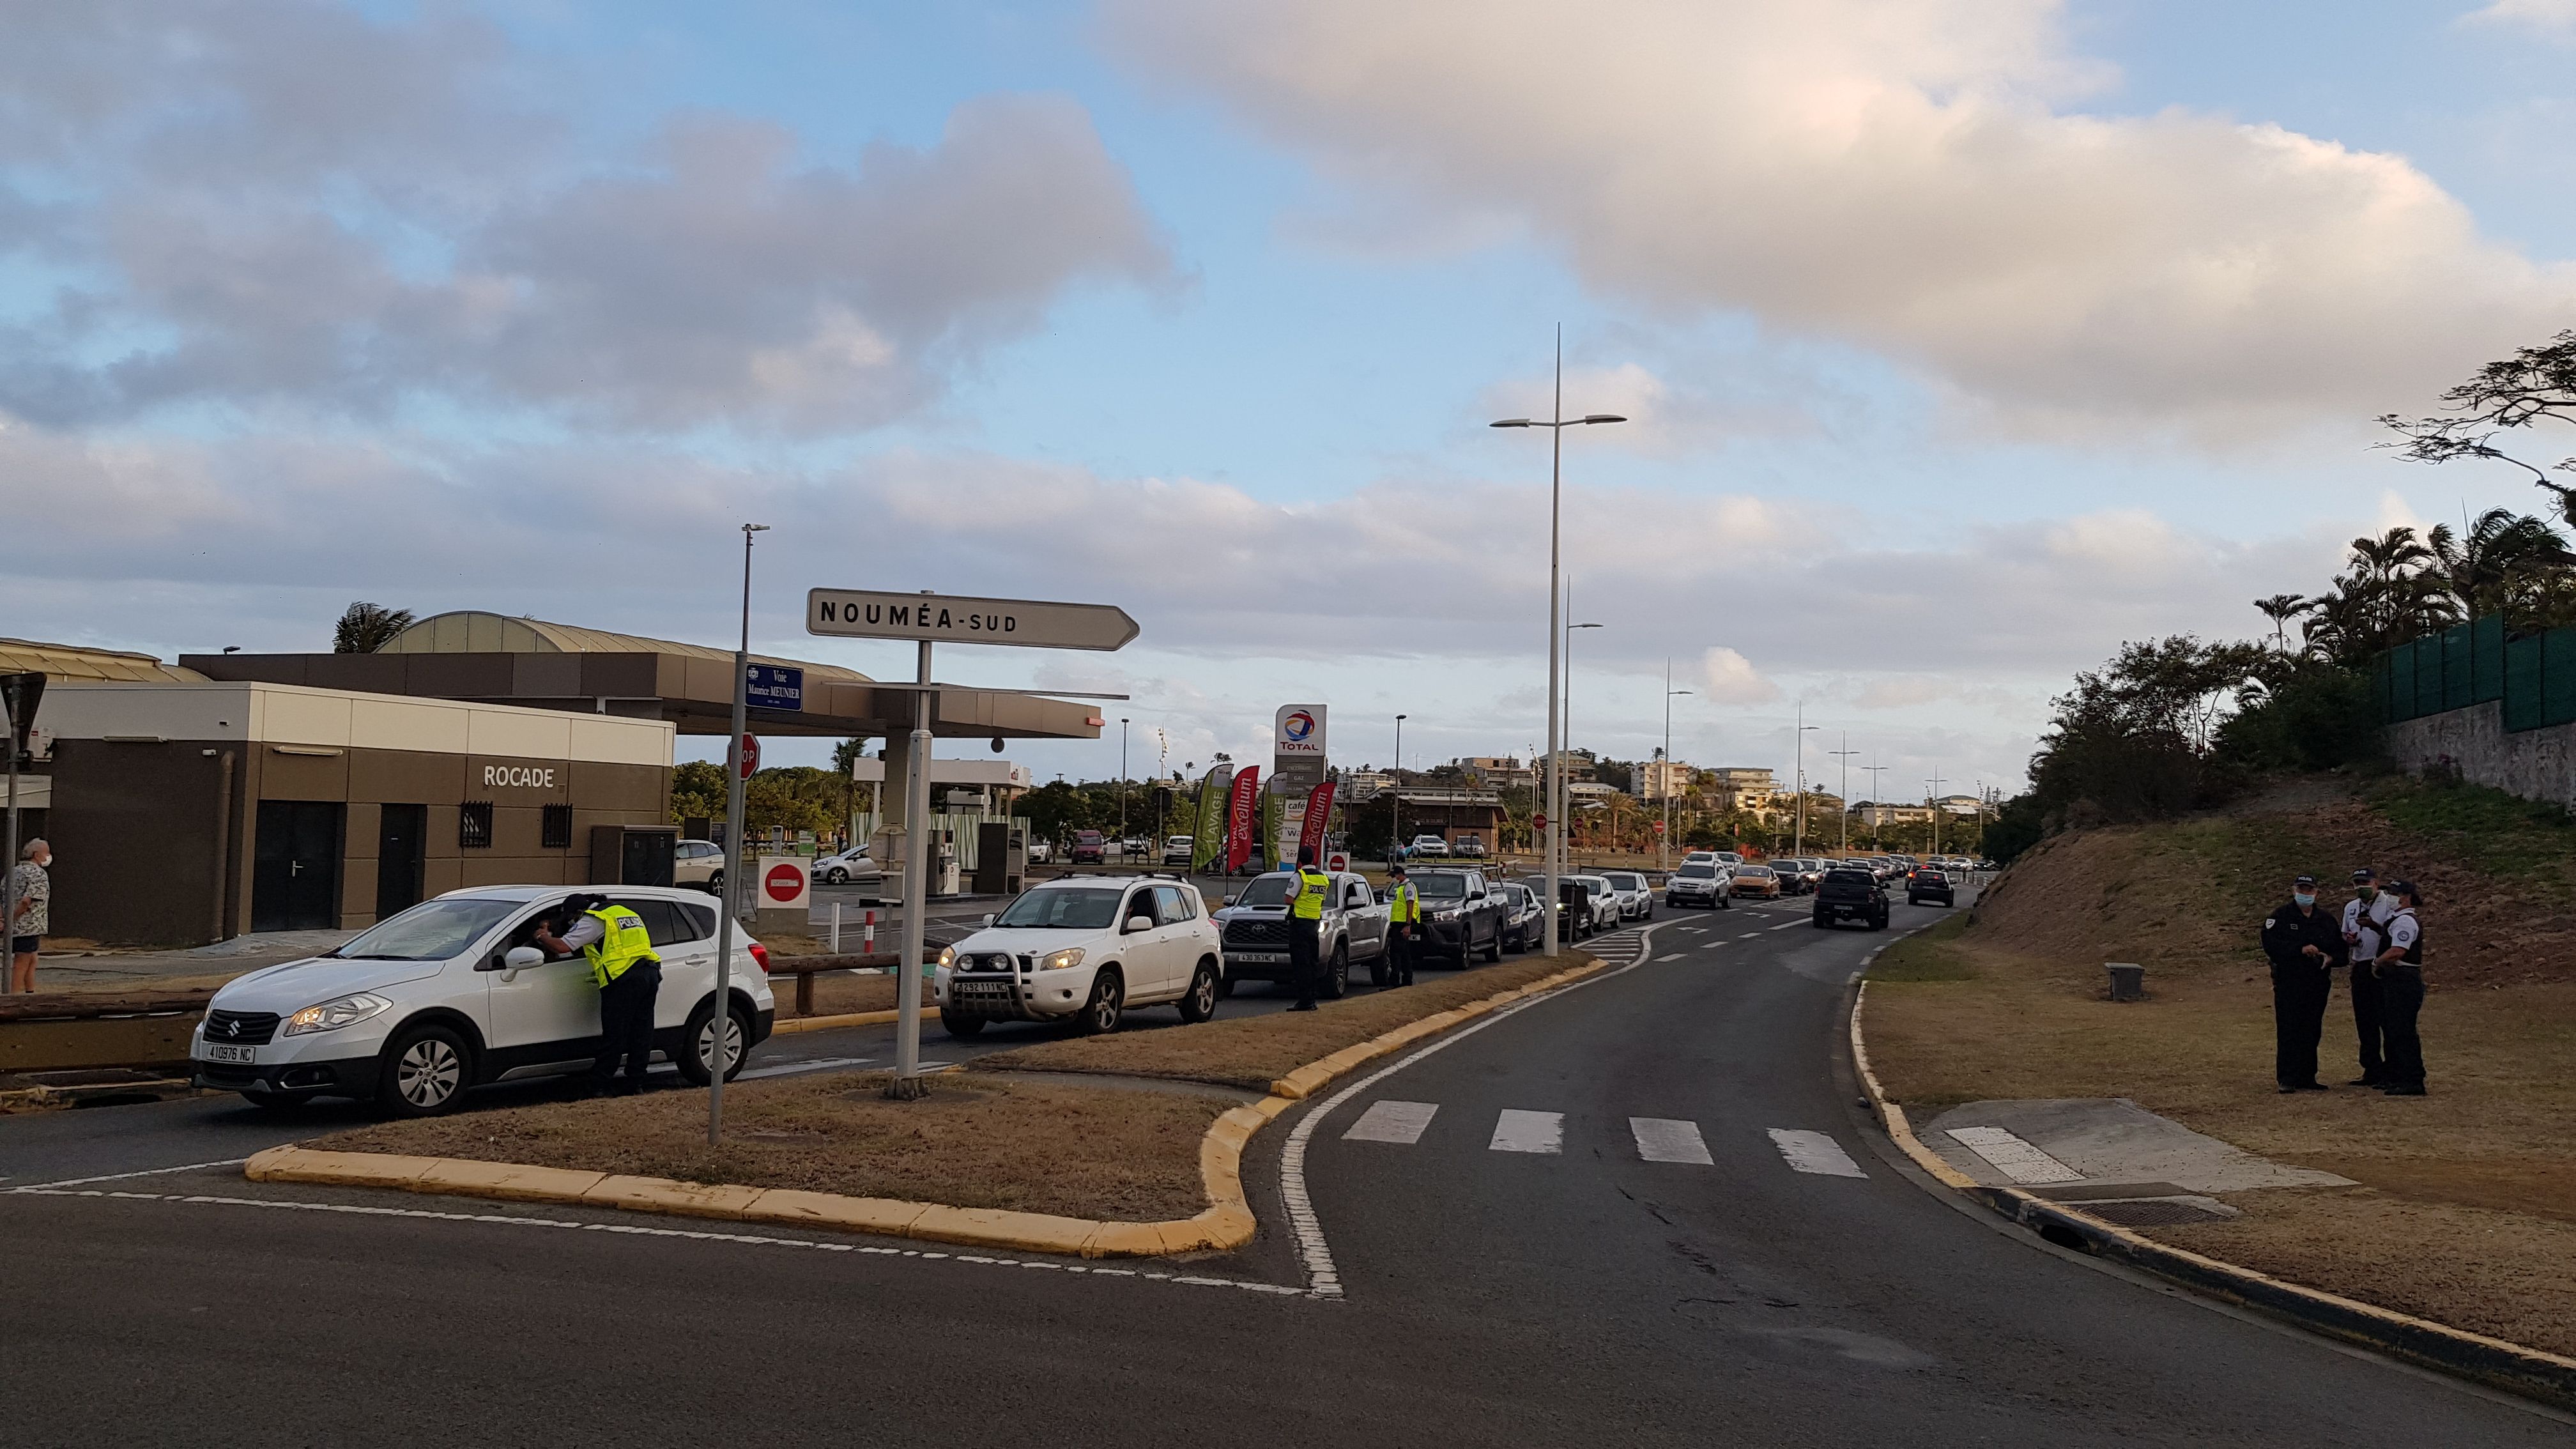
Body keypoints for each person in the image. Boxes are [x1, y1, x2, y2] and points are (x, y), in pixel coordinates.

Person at [533, 893, 663, 1094]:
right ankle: (635, 1084)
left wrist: (542, 936)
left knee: (615, 1035)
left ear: (579, 912)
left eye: (572, 919)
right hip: (650, 972)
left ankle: (598, 1085)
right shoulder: (624, 912)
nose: (573, 923)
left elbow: (563, 946)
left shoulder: (594, 919)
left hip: (623, 978)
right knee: (641, 1032)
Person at [2258, 873, 2340, 1092]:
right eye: (2302, 889)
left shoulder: (2325, 920)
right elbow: (2271, 945)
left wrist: (2330, 957)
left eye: (2309, 890)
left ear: (2317, 892)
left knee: (2312, 1029)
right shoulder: (2281, 917)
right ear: (2294, 890)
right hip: (2290, 982)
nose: (2306, 894)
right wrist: (2299, 950)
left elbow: (2340, 949)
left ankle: (2307, 1076)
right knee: (2289, 1028)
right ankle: (2287, 1078)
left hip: (2317, 982)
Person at [2340, 868, 2400, 1085]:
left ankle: (2392, 1069)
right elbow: (2345, 933)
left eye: (2365, 882)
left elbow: (2395, 933)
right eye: (2356, 883)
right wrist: (2349, 939)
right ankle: (2371, 1068)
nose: (2360, 888)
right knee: (2365, 1020)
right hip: (2361, 963)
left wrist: (2375, 927)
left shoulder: (2389, 904)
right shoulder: (2351, 907)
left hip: (2383, 964)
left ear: (2376, 883)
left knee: (2387, 1019)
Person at [2368, 882, 2428, 1096]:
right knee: (2395, 1029)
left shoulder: (2405, 921)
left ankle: (2413, 1079)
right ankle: (2400, 1075)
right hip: (2397, 979)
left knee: (2403, 1031)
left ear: (2406, 897)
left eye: (2394, 893)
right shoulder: (2396, 919)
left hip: (2404, 979)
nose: (2389, 897)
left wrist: (2377, 962)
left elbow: (2397, 951)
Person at [1284, 847, 1331, 1011]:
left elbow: (1288, 899)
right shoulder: (1324, 879)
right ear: (1314, 859)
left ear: (1300, 861)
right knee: (1312, 963)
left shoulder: (1300, 876)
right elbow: (1321, 900)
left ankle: (1304, 1001)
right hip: (1314, 924)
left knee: (1300, 964)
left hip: (1300, 925)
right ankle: (1311, 999)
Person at [8, 838, 48, 994]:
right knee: (22, 962)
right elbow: (27, 902)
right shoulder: (38, 874)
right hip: (28, 925)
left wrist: (3, 919)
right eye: (47, 853)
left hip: (16, 925)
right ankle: (13, 997)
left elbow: (2, 896)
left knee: (32, 958)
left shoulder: (14, 871)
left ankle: (30, 993)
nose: (48, 857)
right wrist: (12, 918)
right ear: (37, 855)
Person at [1384, 864, 1421, 988]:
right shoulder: (1400, 887)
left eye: (1394, 876)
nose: (1393, 878)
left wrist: (1408, 925)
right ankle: (1407, 981)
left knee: (1395, 953)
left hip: (1403, 924)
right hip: (1398, 924)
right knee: (1405, 954)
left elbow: (1410, 905)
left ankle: (1394, 981)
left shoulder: (1408, 886)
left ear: (1400, 874)